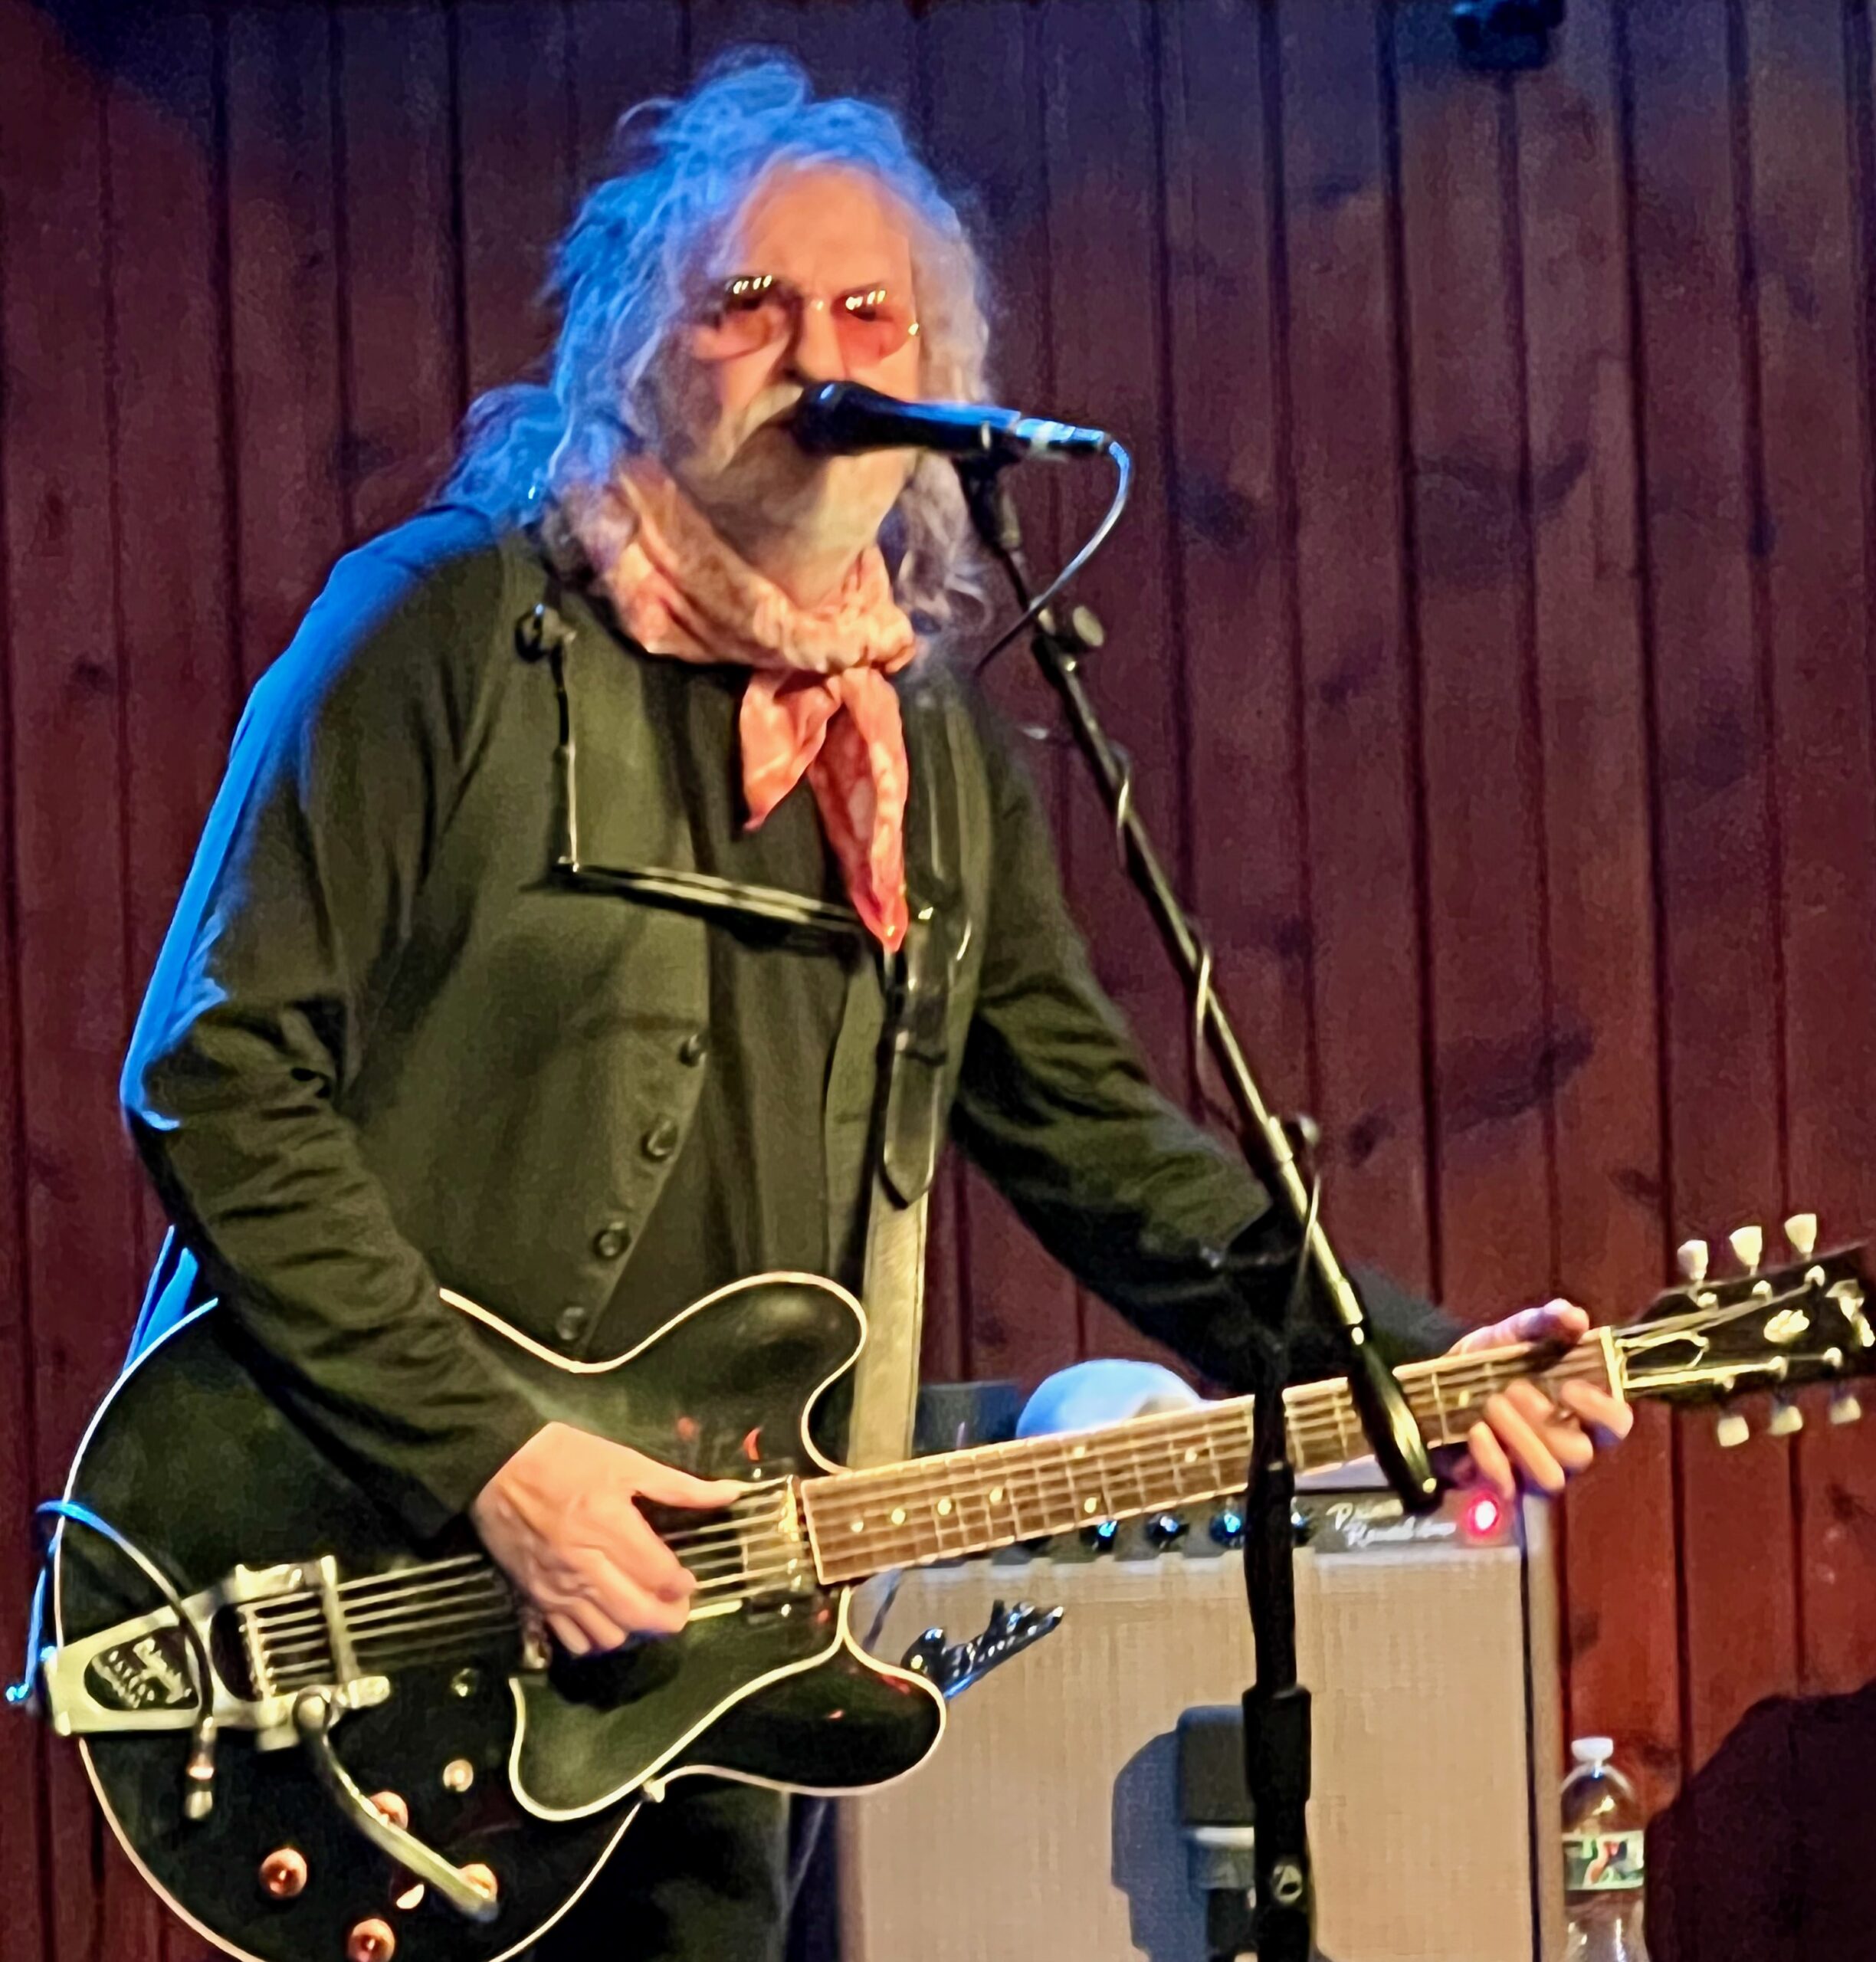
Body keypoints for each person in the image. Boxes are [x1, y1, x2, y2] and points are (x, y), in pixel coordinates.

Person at [119, 53, 1631, 1962]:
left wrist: (1420, 1362)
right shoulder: (434, 633)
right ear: (629, 358)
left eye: (867, 313)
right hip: (371, 1581)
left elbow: (1107, 1160)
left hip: (713, 1633)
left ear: (939, 388)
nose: (811, 349)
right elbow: (213, 1074)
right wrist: (493, 1458)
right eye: (745, 303)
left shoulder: (935, 762)